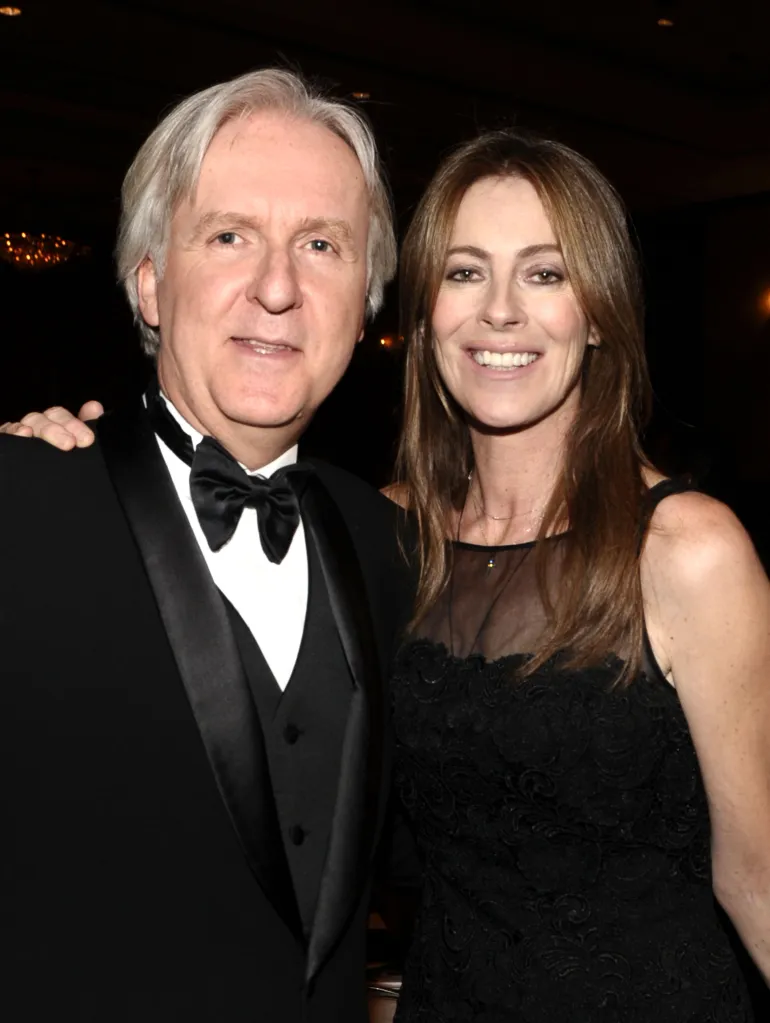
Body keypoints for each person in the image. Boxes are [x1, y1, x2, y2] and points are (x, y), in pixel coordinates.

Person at [10, 130, 770, 1020]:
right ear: (421, 312)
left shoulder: (687, 548)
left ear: (599, 310)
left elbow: (757, 876)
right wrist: (43, 466)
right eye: (463, 272)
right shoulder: (388, 533)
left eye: (546, 273)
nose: (500, 312)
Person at [0, 68, 413, 1023]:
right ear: (149, 280)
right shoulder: (22, 503)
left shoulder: (393, 548)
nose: (277, 287)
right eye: (229, 235)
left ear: (364, 302)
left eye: (322, 245)